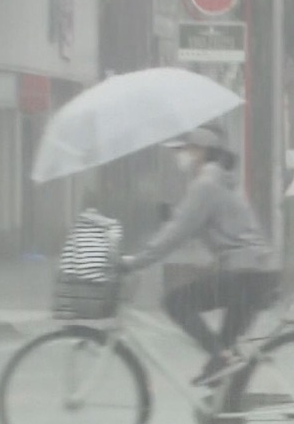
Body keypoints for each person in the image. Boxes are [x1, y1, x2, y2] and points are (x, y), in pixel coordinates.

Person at [120, 124, 281, 391]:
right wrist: (175, 214)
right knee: (227, 359)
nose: (182, 155)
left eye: (187, 149)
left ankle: (219, 357)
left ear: (203, 151)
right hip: (258, 272)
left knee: (176, 302)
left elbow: (175, 235)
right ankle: (225, 421)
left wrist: (133, 262)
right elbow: (206, 220)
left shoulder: (205, 184)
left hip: (244, 274)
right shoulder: (221, 181)